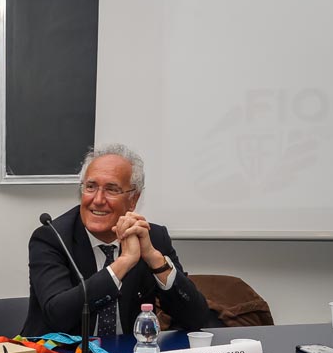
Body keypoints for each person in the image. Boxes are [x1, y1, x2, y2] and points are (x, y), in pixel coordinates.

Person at [22, 143, 209, 338]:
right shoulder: (53, 238)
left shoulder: (153, 237)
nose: (98, 199)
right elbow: (58, 315)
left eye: (111, 190)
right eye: (91, 187)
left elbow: (196, 319)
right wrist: (123, 263)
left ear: (133, 199)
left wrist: (154, 259)